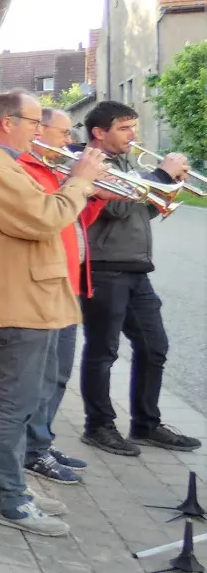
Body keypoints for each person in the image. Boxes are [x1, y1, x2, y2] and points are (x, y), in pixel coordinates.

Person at [0, 91, 102, 536]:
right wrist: (81, 179)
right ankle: (9, 499)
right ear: (7, 123)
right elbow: (41, 218)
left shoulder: (0, 162)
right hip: (15, 304)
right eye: (35, 122)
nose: (42, 131)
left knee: (24, 402)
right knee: (13, 406)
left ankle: (14, 488)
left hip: (28, 299)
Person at [76, 101, 201, 455]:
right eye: (125, 128)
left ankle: (146, 424)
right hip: (104, 268)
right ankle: (98, 426)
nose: (135, 135)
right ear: (99, 133)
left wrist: (165, 192)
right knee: (103, 351)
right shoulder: (90, 164)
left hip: (135, 269)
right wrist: (160, 177)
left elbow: (136, 210)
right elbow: (112, 206)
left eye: (134, 127)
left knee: (154, 347)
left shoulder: (127, 164)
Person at [16, 110, 100, 486]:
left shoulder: (52, 170)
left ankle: (42, 442)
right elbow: (47, 220)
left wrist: (93, 194)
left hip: (68, 285)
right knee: (43, 376)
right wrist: (79, 183)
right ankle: (32, 451)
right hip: (45, 290)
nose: (68, 141)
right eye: (62, 132)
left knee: (59, 374)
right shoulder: (26, 169)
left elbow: (73, 221)